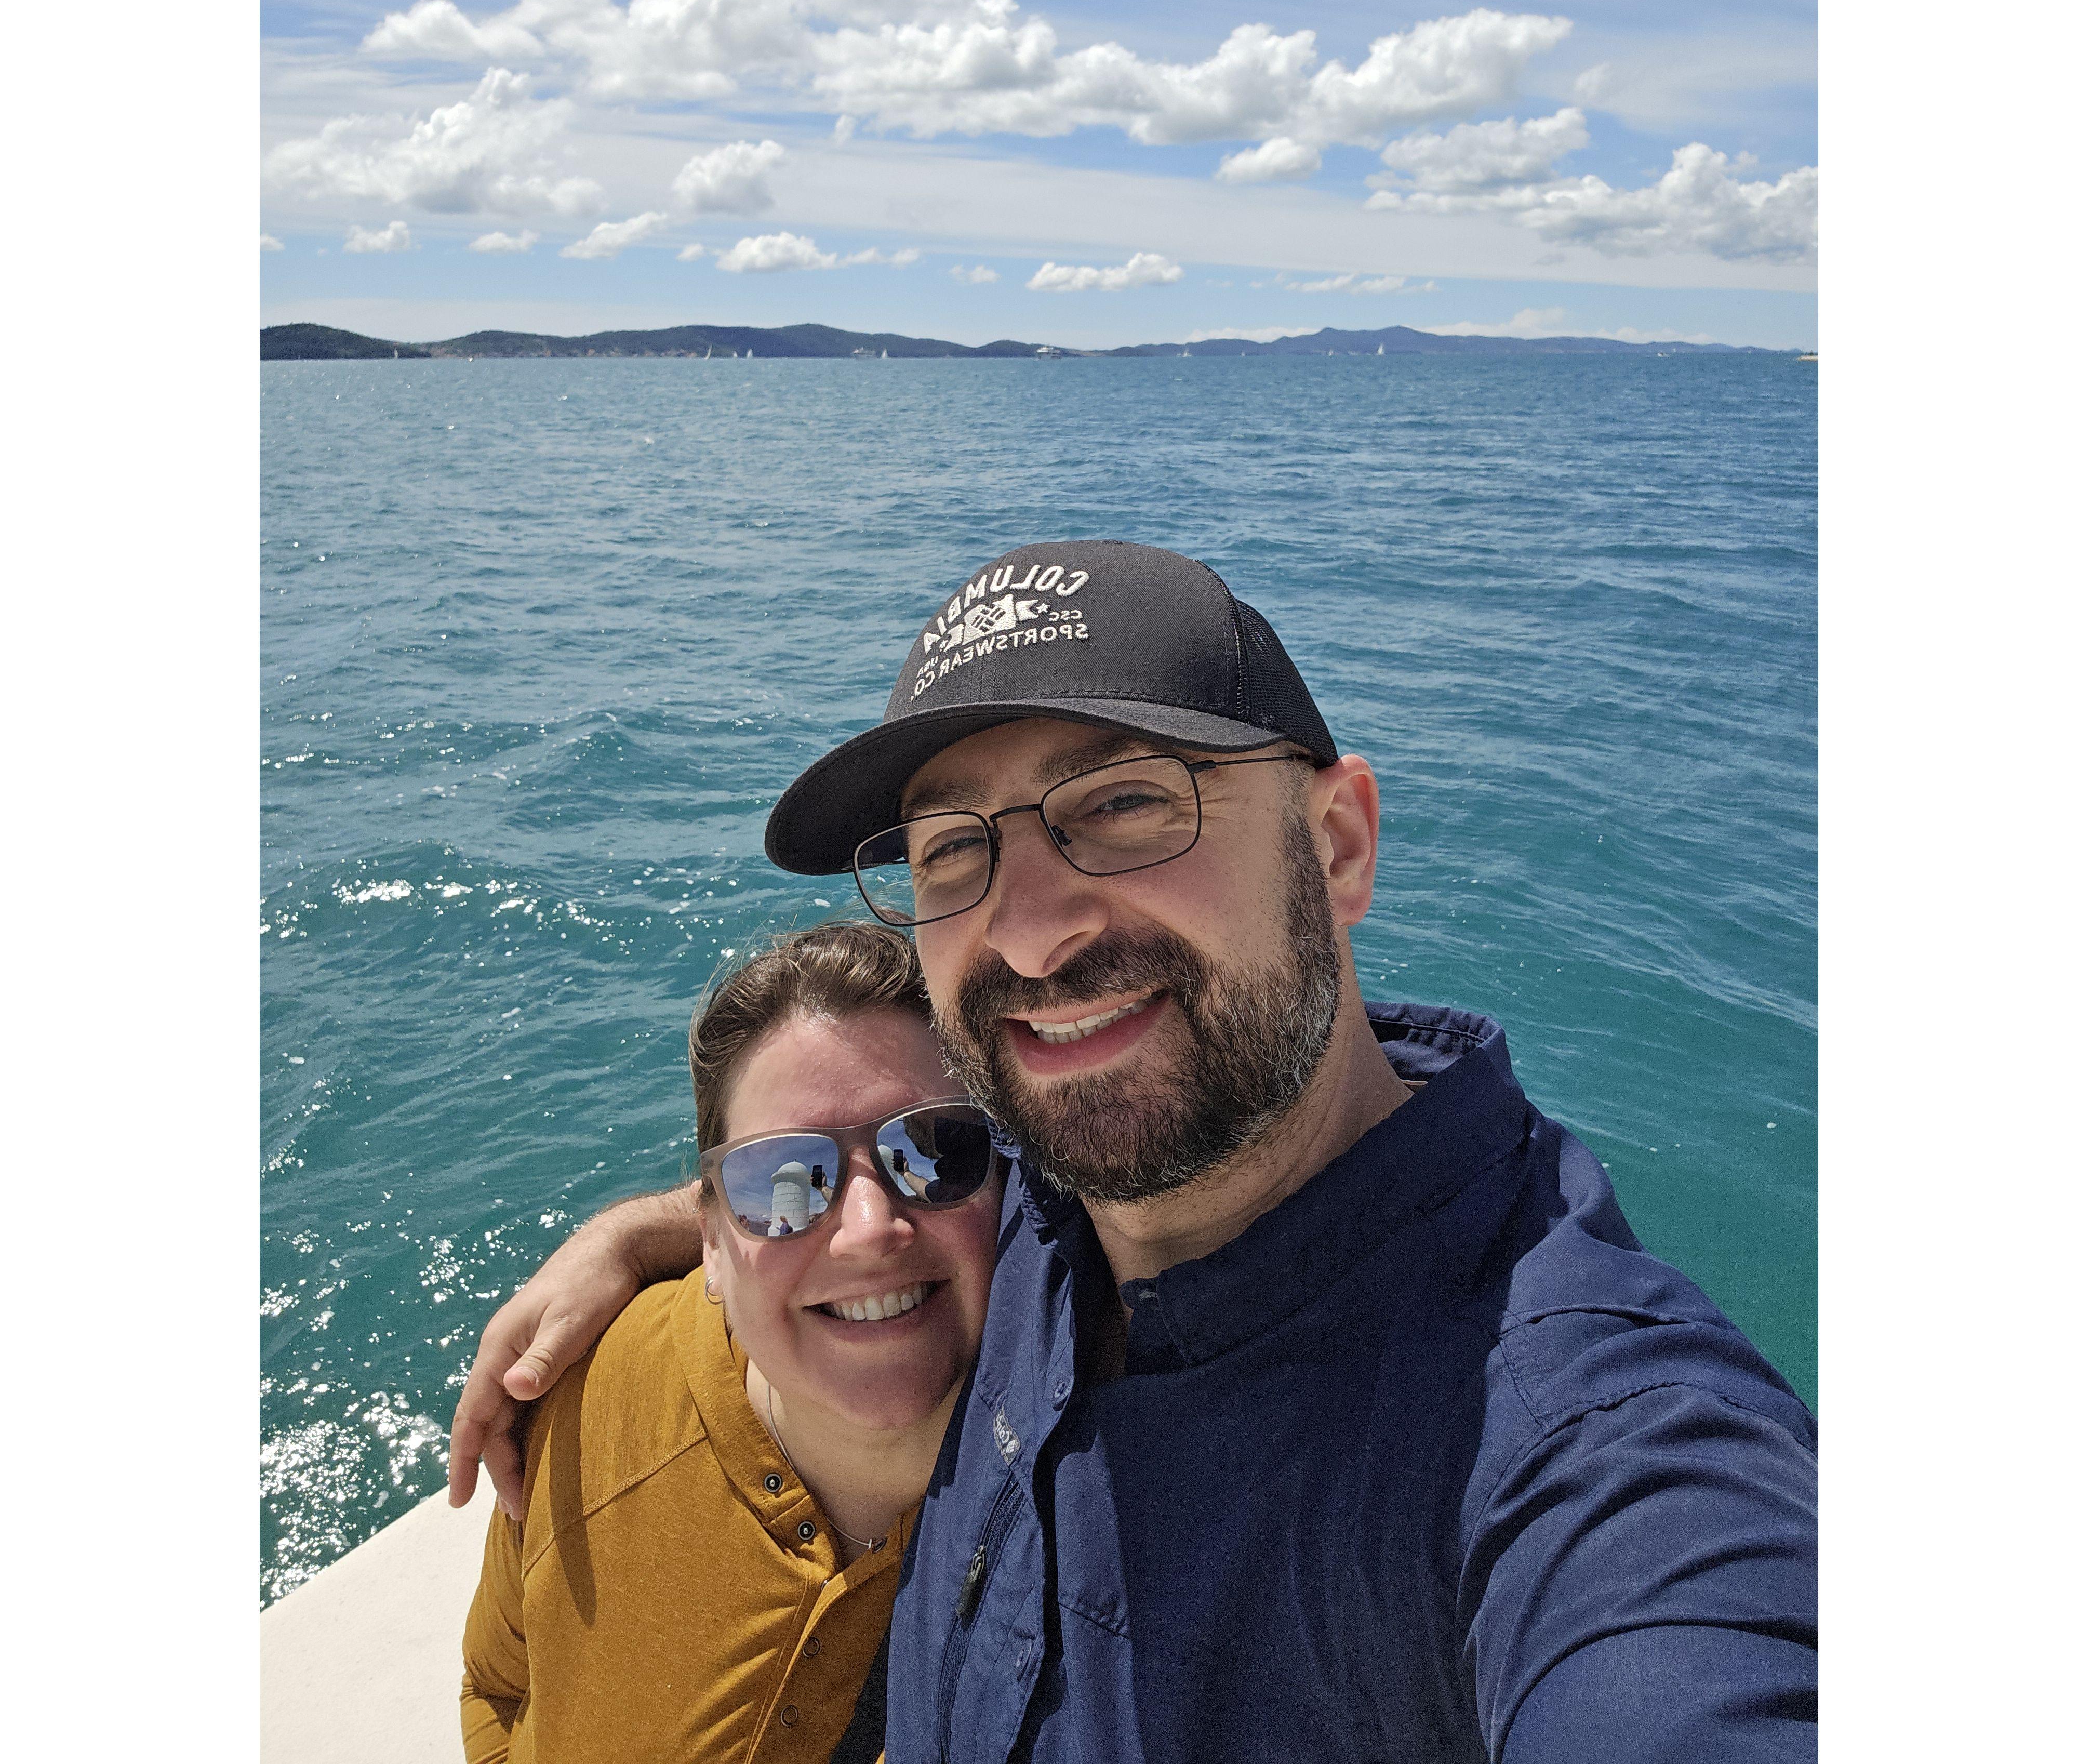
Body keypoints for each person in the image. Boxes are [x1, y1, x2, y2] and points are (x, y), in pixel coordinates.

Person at [450, 539, 1818, 1762]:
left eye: (1120, 803)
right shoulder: (1041, 1198)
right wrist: (651, 1230)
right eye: (951, 849)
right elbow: (870, 1191)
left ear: (1337, 845)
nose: (1032, 930)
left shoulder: (1584, 1452)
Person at [457, 921, 1003, 1762]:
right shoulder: (591, 1393)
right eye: (784, 1182)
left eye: (934, 1152)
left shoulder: (1090, 1522)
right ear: (710, 1239)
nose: (869, 1229)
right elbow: (498, 1687)